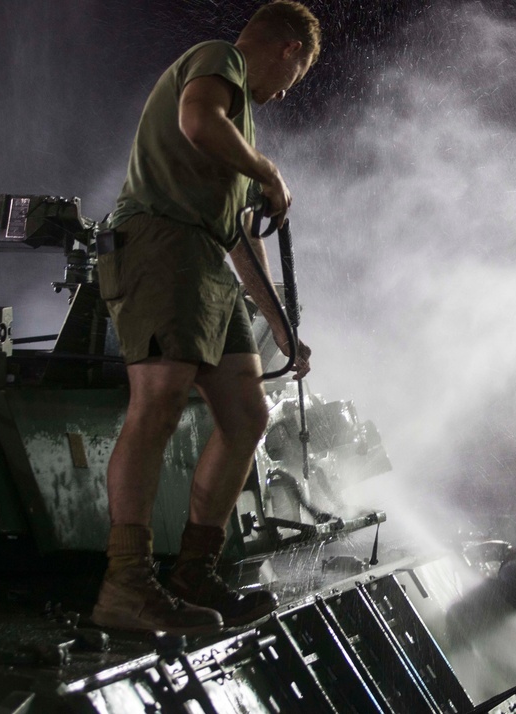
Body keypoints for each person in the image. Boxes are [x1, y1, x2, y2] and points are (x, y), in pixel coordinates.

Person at [91, 1, 319, 635]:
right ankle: (126, 584)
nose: (280, 95)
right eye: (292, 79)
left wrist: (281, 326)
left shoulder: (241, 126)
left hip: (207, 260)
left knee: (247, 415)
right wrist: (268, 171)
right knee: (158, 400)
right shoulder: (222, 60)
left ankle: (194, 571)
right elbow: (196, 122)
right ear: (289, 50)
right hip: (163, 240)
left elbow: (243, 235)